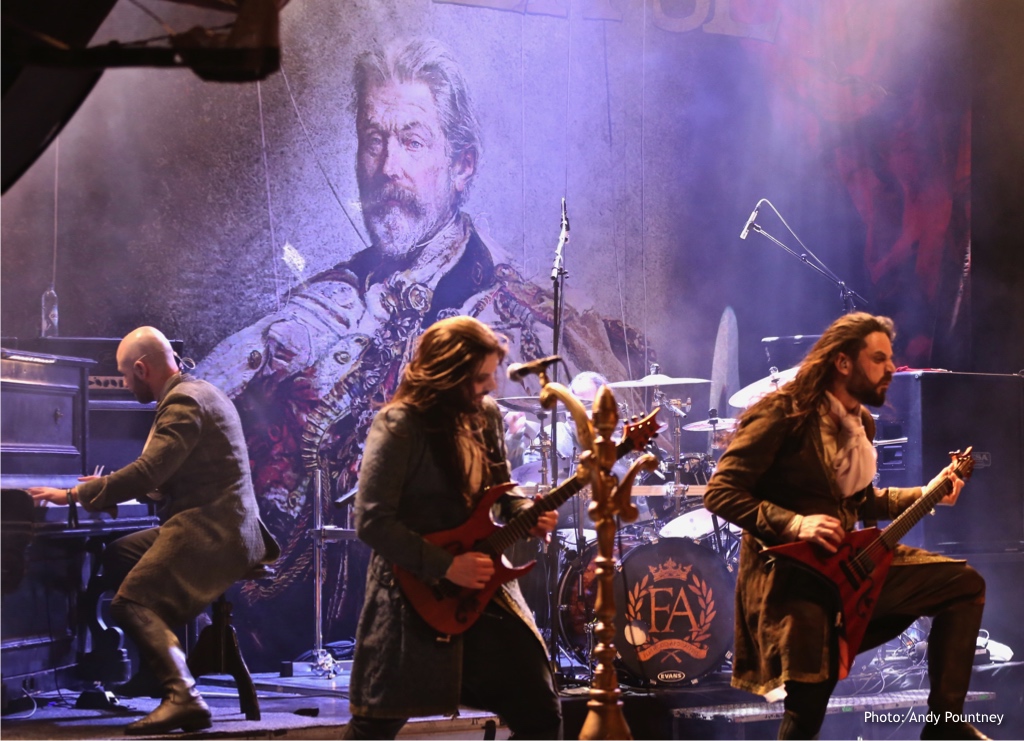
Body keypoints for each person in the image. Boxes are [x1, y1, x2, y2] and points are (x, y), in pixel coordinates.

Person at [197, 36, 648, 661]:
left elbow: (590, 475)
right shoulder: (322, 301)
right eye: (373, 140)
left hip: (452, 618)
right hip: (297, 643)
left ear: (461, 165)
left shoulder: (526, 321)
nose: (388, 167)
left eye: (412, 142)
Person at [704, 313, 987, 741]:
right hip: (792, 580)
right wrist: (795, 523)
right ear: (842, 363)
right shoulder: (783, 414)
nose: (891, 368)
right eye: (878, 358)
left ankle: (944, 727)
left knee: (963, 585)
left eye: (890, 358)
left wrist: (926, 493)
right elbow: (721, 492)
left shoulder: (860, 423)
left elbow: (860, 501)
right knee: (807, 706)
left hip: (848, 569)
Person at [29, 327, 279, 735]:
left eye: (126, 376)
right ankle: (150, 672)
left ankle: (184, 696)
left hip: (213, 532)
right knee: (120, 554)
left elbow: (148, 471)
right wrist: (107, 488)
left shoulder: (183, 401)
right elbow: (164, 477)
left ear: (142, 369)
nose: (126, 385)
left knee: (128, 605)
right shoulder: (198, 391)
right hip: (221, 525)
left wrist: (74, 494)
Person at [343, 316, 562, 740]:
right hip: (415, 593)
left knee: (541, 711)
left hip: (484, 589)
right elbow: (371, 521)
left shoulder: (487, 415)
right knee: (375, 724)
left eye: (492, 374)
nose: (492, 385)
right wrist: (446, 565)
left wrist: (526, 512)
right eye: (481, 377)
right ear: (447, 374)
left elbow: (501, 489)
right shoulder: (399, 423)